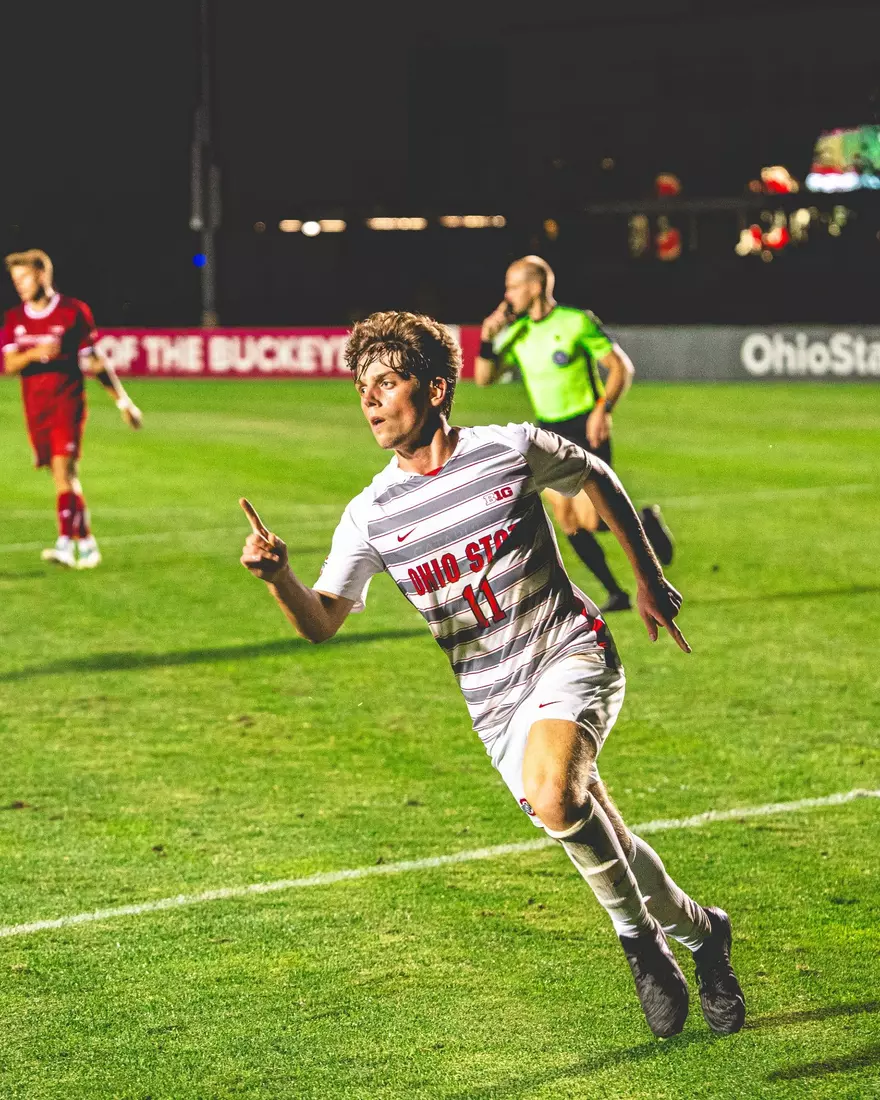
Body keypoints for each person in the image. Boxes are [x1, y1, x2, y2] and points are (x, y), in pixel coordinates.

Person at [239, 310, 745, 1039]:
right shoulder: (371, 514)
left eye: (389, 380)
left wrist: (647, 576)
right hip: (495, 704)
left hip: (570, 650)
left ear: (438, 388)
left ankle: (641, 945)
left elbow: (594, 473)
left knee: (554, 793)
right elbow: (321, 622)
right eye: (362, 387)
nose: (372, 399)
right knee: (601, 835)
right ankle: (704, 933)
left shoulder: (509, 450)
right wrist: (279, 576)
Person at [475, 256, 674, 614]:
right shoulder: (516, 332)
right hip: (548, 431)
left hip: (585, 427)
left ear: (535, 287)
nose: (507, 295)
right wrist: (488, 339)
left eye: (513, 286)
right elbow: (484, 378)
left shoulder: (575, 321)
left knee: (593, 518)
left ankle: (644, 522)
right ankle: (615, 592)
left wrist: (604, 409)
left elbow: (620, 368)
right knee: (567, 520)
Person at [2, 250, 142, 568]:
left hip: (66, 403)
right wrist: (37, 352)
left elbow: (94, 361)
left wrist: (123, 401)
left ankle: (65, 545)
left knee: (64, 472)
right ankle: (88, 544)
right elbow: (9, 363)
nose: (19, 285)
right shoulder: (15, 317)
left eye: (24, 278)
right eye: (15, 280)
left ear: (41, 275)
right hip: (34, 407)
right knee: (62, 477)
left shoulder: (73, 312)